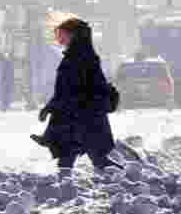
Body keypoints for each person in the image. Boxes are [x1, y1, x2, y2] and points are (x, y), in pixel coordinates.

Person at [32, 16, 122, 174]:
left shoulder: (79, 57)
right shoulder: (79, 55)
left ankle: (127, 178)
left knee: (90, 156)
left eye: (62, 34)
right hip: (82, 115)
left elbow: (69, 89)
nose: (58, 38)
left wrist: (50, 107)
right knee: (73, 153)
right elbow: (66, 89)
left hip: (82, 115)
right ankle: (64, 184)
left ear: (74, 35)